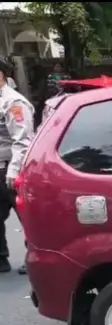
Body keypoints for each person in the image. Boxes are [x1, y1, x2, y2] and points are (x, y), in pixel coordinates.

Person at [0, 59, 33, 274]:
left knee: (27, 216)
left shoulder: (13, 103)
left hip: (10, 168)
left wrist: (13, 171)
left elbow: (22, 139)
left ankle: (34, 257)